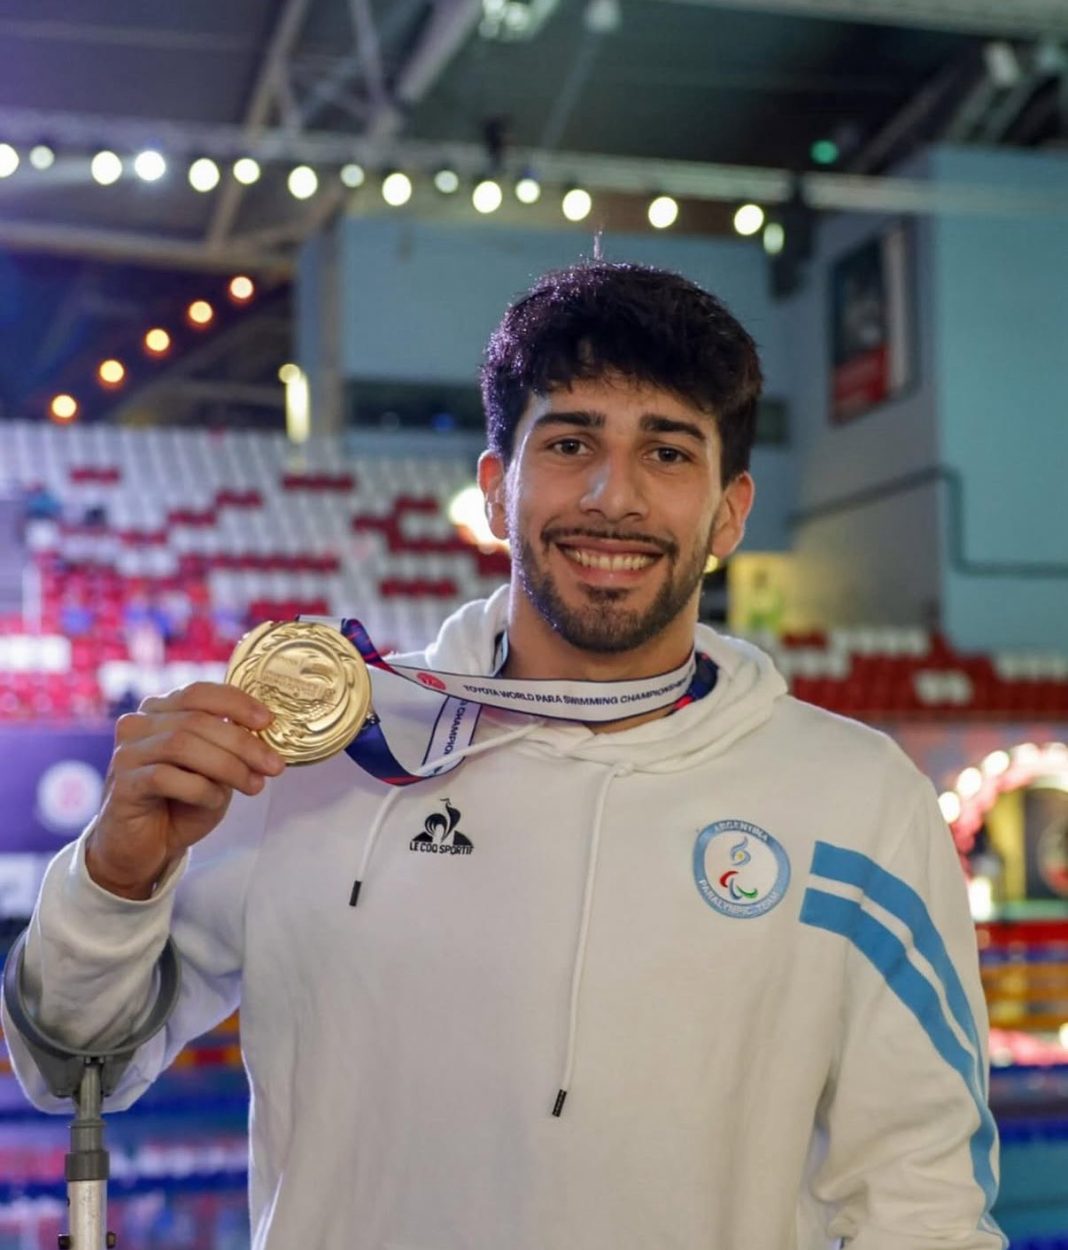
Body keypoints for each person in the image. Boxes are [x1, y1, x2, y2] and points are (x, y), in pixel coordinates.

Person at [4, 262, 1004, 1249]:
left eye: (668, 452)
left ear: (728, 513)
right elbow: (70, 1066)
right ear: (495, 488)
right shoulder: (324, 755)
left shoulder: (854, 799)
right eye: (571, 441)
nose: (614, 496)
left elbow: (920, 1204)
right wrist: (116, 875)